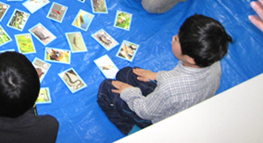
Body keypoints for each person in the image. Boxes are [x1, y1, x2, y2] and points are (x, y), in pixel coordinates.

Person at [97, 14, 233, 136]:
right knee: (125, 73)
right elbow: (175, 79)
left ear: (191, 58)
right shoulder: (212, 61)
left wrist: (129, 92)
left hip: (157, 118)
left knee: (106, 88)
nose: (173, 37)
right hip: (181, 100)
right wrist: (156, 76)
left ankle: (135, 131)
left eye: (177, 39)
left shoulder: (170, 87)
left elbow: (144, 111)